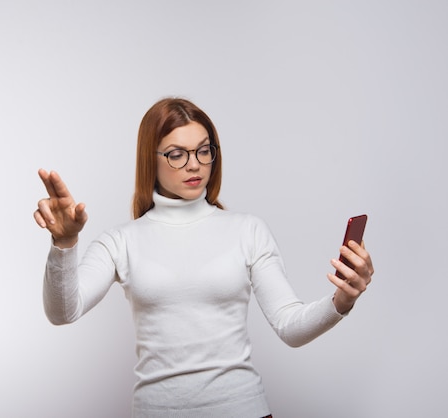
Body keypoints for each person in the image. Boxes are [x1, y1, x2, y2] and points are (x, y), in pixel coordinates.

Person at [34, 98, 374, 418]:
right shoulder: (121, 241)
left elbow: (290, 327)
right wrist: (65, 242)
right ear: (150, 159)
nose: (194, 164)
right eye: (177, 154)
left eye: (203, 151)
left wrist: (341, 300)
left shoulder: (248, 230)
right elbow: (63, 312)